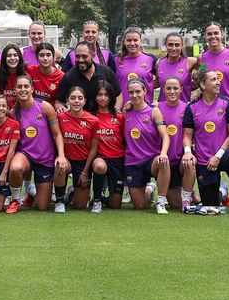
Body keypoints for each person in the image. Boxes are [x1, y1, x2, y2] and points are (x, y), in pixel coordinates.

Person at [182, 69, 229, 216]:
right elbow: (187, 135)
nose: (218, 82)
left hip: (224, 155)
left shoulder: (227, 103)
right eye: (214, 80)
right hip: (204, 160)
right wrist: (188, 153)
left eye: (218, 79)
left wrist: (218, 156)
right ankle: (223, 191)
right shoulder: (192, 107)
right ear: (203, 84)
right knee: (211, 204)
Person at [5, 74, 69, 214]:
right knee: (15, 167)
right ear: (15, 90)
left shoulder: (45, 107)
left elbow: (57, 134)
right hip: (25, 154)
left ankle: (32, 192)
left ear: (32, 89)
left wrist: (61, 155)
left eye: (26, 86)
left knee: (42, 206)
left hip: (45, 158)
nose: (23, 89)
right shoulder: (12, 113)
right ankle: (15, 200)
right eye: (19, 87)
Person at [120, 79, 172, 215]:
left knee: (164, 162)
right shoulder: (126, 112)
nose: (134, 95)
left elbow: (165, 136)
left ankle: (161, 202)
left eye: (138, 91)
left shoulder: (154, 111)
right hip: (132, 162)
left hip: (151, 160)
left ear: (145, 91)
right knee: (139, 206)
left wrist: (164, 153)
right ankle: (150, 189)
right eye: (131, 92)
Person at [157, 76, 196, 212]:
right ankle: (151, 189)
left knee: (190, 163)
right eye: (168, 88)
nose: (172, 91)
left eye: (175, 88)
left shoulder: (188, 108)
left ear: (181, 89)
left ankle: (187, 200)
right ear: (163, 90)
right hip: (164, 162)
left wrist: (188, 152)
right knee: (175, 205)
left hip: (181, 160)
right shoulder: (156, 108)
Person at [86, 78, 125, 212]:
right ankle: (97, 201)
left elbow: (125, 137)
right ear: (94, 97)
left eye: (106, 95)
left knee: (115, 205)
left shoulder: (119, 116)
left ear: (111, 96)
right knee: (99, 166)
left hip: (117, 159)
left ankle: (102, 198)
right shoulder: (90, 116)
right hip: (100, 157)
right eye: (99, 95)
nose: (103, 98)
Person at [57, 85, 98, 211]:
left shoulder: (93, 120)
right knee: (59, 165)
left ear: (85, 101)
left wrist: (85, 172)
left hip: (82, 163)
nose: (76, 101)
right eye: (73, 98)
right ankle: (59, 201)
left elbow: (93, 149)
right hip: (67, 159)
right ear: (67, 100)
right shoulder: (60, 117)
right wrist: (61, 157)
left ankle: (71, 192)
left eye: (80, 98)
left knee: (79, 206)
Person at [56, 41, 118, 109]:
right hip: (79, 118)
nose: (81, 60)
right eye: (77, 56)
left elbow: (118, 94)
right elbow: (59, 102)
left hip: (103, 117)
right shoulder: (68, 77)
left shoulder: (106, 72)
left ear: (93, 55)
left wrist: (114, 112)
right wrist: (62, 110)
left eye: (84, 56)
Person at [200, 22, 229, 102]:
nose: (213, 36)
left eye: (216, 33)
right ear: (205, 36)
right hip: (208, 103)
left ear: (222, 34)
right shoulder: (201, 58)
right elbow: (199, 78)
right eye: (209, 34)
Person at [114, 28, 159, 105]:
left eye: (135, 40)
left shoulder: (151, 59)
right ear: (124, 41)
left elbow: (161, 79)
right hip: (122, 110)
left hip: (145, 110)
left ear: (140, 41)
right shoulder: (115, 60)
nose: (132, 43)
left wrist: (149, 85)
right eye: (129, 40)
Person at [25, 42, 64, 108]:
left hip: (52, 113)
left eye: (48, 55)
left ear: (53, 57)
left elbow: (60, 102)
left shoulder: (61, 76)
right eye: (42, 55)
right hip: (33, 110)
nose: (45, 58)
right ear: (37, 57)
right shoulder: (30, 70)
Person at [0, 44, 26, 111]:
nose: (12, 58)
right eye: (9, 56)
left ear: (19, 57)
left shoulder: (26, 76)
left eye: (15, 55)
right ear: (4, 58)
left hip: (22, 113)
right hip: (3, 114)